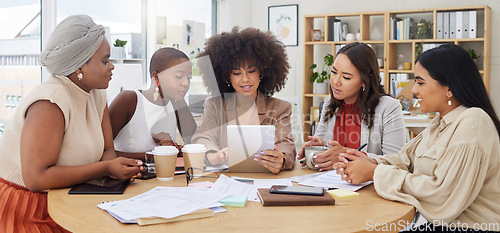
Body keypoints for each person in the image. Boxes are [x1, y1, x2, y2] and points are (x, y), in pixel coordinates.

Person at [333, 44, 500, 232]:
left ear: (450, 88)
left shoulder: (473, 122)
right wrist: (368, 161)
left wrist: (374, 172)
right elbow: (404, 160)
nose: (413, 90)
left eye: (420, 82)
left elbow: (443, 196)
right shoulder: (440, 123)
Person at [0, 15, 143, 233]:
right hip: (28, 208)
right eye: (105, 61)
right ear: (80, 66)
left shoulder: (96, 93)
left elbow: (107, 150)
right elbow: (37, 179)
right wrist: (106, 168)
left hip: (71, 197)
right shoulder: (50, 101)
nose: (112, 66)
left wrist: (115, 173)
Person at [192, 27, 296, 174]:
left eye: (251, 71)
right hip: (225, 181)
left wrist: (282, 159)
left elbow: (287, 145)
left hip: (266, 180)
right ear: (227, 76)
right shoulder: (214, 105)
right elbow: (202, 137)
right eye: (237, 73)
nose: (245, 79)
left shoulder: (280, 108)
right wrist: (214, 156)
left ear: (262, 71)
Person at [298, 42, 406, 171]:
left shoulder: (388, 107)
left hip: (368, 186)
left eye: (346, 77)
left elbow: (396, 162)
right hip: (332, 181)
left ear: (365, 80)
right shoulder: (330, 101)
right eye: (334, 72)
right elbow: (325, 144)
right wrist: (319, 149)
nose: (336, 82)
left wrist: (344, 155)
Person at [109, 47, 196, 161]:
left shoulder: (176, 102)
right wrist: (155, 155)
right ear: (156, 77)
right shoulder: (129, 99)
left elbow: (195, 144)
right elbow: (101, 153)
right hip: (131, 177)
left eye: (189, 78)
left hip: (165, 176)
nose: (186, 83)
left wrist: (175, 149)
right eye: (179, 76)